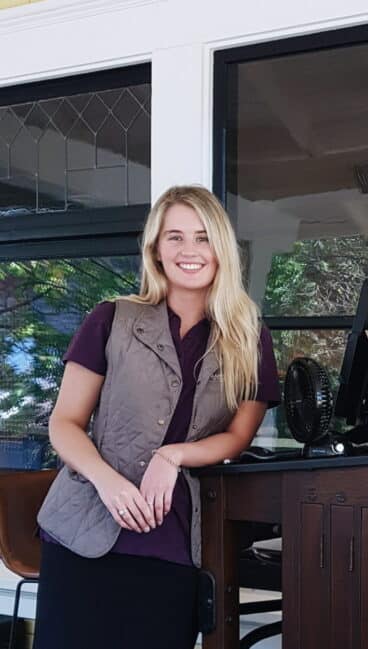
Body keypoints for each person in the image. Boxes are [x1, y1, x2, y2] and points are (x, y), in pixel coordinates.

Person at [33, 185, 281, 649]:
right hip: (85, 530)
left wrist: (174, 455)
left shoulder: (250, 338)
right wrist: (107, 481)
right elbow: (64, 423)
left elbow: (238, 435)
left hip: (176, 539)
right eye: (175, 237)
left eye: (203, 238)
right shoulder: (110, 319)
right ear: (156, 249)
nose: (190, 250)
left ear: (222, 248)